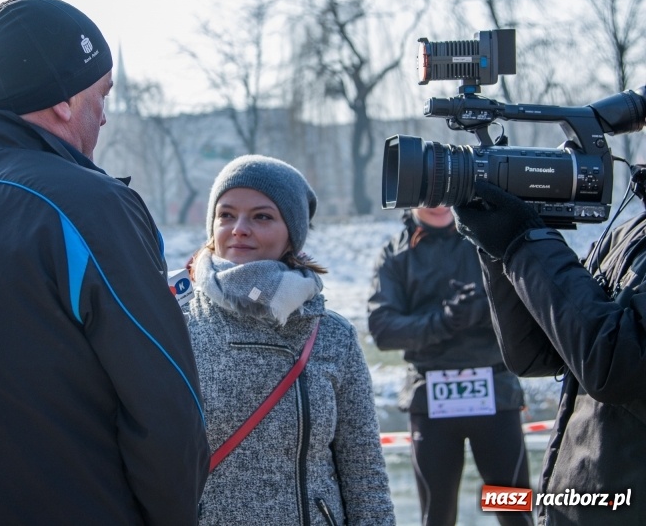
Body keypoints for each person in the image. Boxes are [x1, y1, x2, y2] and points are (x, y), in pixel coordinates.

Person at [0, 0, 208, 525]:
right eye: (101, 93)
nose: (105, 115)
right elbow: (166, 408)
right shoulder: (88, 207)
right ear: (62, 99)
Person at [185, 154, 395, 526]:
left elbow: (364, 472)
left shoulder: (333, 335)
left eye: (262, 216)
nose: (239, 229)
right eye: (226, 215)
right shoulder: (178, 324)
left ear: (291, 234)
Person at [453, 180, 646, 525]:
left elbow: (617, 368)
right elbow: (536, 354)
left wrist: (525, 242)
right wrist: (500, 249)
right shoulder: (629, 234)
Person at [367, 207, 532, 526]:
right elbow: (383, 329)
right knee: (437, 516)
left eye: (444, 193)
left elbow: (527, 306)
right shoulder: (394, 253)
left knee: (514, 511)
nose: (437, 202)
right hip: (430, 397)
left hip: (497, 392)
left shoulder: (490, 240)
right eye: (427, 194)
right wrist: (443, 321)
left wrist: (484, 311)